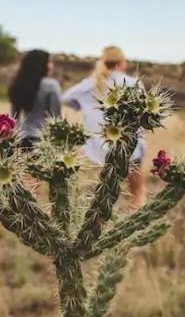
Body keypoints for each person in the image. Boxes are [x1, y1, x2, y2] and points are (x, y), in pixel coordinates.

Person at [61, 46, 147, 207]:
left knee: (102, 192)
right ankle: (137, 210)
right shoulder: (133, 83)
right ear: (122, 63)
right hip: (129, 147)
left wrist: (81, 105)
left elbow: (65, 97)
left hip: (97, 149)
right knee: (137, 188)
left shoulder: (89, 84)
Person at [8, 49, 61, 149]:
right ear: (42, 65)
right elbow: (56, 118)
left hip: (23, 139)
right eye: (49, 62)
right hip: (44, 140)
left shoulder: (19, 85)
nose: (51, 65)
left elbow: (14, 118)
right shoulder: (51, 85)